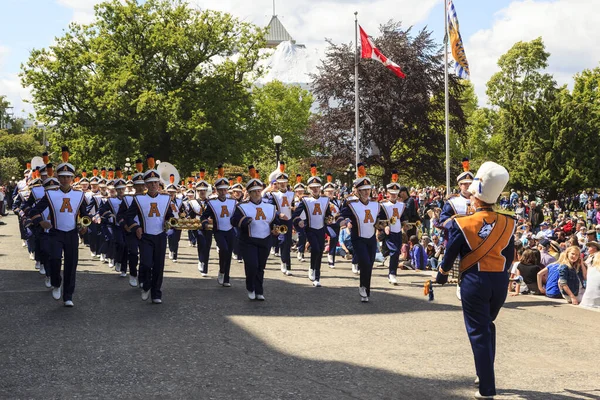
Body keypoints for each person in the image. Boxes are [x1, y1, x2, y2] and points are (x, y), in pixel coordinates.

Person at [436, 161, 516, 399]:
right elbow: (509, 256)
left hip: (474, 282)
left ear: (477, 199)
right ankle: (484, 372)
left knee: (478, 332)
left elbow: (451, 253)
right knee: (487, 326)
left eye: (472, 195)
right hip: (499, 283)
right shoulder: (508, 222)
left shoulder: (463, 222)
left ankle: (487, 389)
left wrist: (441, 274)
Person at [28, 147, 89, 307]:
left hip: (71, 234)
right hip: (55, 233)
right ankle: (56, 282)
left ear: (73, 178)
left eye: (68, 177)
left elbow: (85, 214)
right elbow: (34, 211)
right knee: (54, 260)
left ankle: (68, 296)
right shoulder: (50, 194)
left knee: (71, 264)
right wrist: (40, 221)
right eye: (62, 177)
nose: (65, 180)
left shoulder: (79, 195)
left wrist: (84, 226)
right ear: (57, 177)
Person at [124, 155, 174, 304]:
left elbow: (169, 216)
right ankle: (145, 285)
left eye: (155, 183)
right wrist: (136, 227)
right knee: (146, 263)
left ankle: (156, 293)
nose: (153, 185)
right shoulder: (139, 199)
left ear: (159, 184)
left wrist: (170, 222)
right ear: (145, 185)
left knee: (158, 265)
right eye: (150, 183)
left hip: (160, 235)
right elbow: (128, 217)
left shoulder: (166, 199)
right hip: (145, 235)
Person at [231, 166, 284, 300]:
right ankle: (250, 287)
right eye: (253, 191)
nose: (257, 193)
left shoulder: (270, 207)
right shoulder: (242, 206)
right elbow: (233, 220)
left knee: (261, 266)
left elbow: (274, 220)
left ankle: (259, 290)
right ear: (248, 192)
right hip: (248, 241)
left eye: (258, 191)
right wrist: (244, 221)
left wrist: (276, 229)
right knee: (252, 265)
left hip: (265, 240)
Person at [339, 163, 381, 302]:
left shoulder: (375, 204)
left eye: (367, 190)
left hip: (371, 238)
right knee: (364, 262)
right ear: (356, 191)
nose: (366, 192)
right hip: (358, 237)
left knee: (370, 264)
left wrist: (383, 224)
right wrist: (344, 222)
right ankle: (363, 288)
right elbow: (342, 214)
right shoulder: (351, 203)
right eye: (362, 190)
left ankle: (365, 289)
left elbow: (379, 219)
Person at [292, 164, 333, 287]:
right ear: (309, 188)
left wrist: (329, 219)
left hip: (321, 229)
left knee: (320, 251)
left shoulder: (325, 200)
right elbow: (296, 214)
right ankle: (312, 270)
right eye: (312, 187)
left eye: (317, 187)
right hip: (310, 229)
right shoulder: (305, 200)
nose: (315, 189)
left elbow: (328, 214)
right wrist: (298, 221)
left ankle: (317, 275)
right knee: (315, 248)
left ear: (320, 188)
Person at [201, 166, 237, 287]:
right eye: (220, 190)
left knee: (229, 252)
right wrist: (205, 223)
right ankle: (222, 270)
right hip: (219, 231)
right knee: (224, 249)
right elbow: (204, 216)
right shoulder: (212, 203)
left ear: (227, 190)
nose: (223, 192)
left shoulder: (233, 202)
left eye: (224, 190)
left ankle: (226, 277)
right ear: (216, 190)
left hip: (230, 230)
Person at [377, 170, 406, 284]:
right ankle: (392, 273)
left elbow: (403, 218)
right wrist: (385, 227)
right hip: (389, 233)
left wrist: (406, 225)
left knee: (397, 252)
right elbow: (380, 219)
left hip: (398, 232)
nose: (393, 195)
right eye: (391, 193)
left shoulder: (401, 205)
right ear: (388, 193)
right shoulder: (383, 205)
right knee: (394, 251)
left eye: (395, 193)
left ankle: (392, 273)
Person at [267, 162, 295, 275]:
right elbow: (270, 208)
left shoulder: (292, 194)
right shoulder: (273, 195)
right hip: (280, 221)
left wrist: (293, 208)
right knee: (283, 241)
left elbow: (295, 206)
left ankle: (287, 264)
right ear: (277, 183)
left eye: (284, 182)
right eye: (280, 183)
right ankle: (284, 263)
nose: (283, 185)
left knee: (288, 243)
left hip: (289, 220)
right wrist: (279, 214)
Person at [580, 244, 600, 309]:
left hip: (585, 302)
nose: (588, 248)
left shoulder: (591, 267)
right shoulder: (589, 258)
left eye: (590, 246)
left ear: (595, 248)